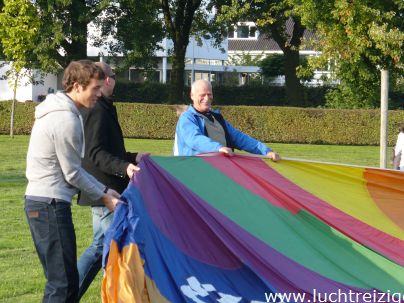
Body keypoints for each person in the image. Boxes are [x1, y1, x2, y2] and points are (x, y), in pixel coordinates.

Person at [24, 60, 122, 302]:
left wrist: (106, 190)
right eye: (95, 88)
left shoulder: (62, 111)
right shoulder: (65, 119)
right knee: (63, 284)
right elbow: (72, 173)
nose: (100, 93)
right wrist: (105, 195)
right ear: (77, 86)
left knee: (62, 281)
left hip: (44, 203)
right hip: (49, 205)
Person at [76, 62, 147, 299]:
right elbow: (96, 154)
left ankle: (67, 293)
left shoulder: (103, 108)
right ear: (108, 80)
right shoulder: (97, 110)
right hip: (104, 191)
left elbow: (109, 150)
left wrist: (134, 157)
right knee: (114, 247)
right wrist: (125, 167)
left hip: (104, 189)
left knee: (100, 248)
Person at [174, 79, 281, 160]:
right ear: (192, 96)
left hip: (220, 171)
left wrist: (266, 152)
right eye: (202, 95)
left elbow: (239, 138)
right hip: (194, 172)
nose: (206, 98)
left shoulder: (216, 117)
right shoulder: (187, 118)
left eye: (209, 94)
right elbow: (194, 139)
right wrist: (218, 148)